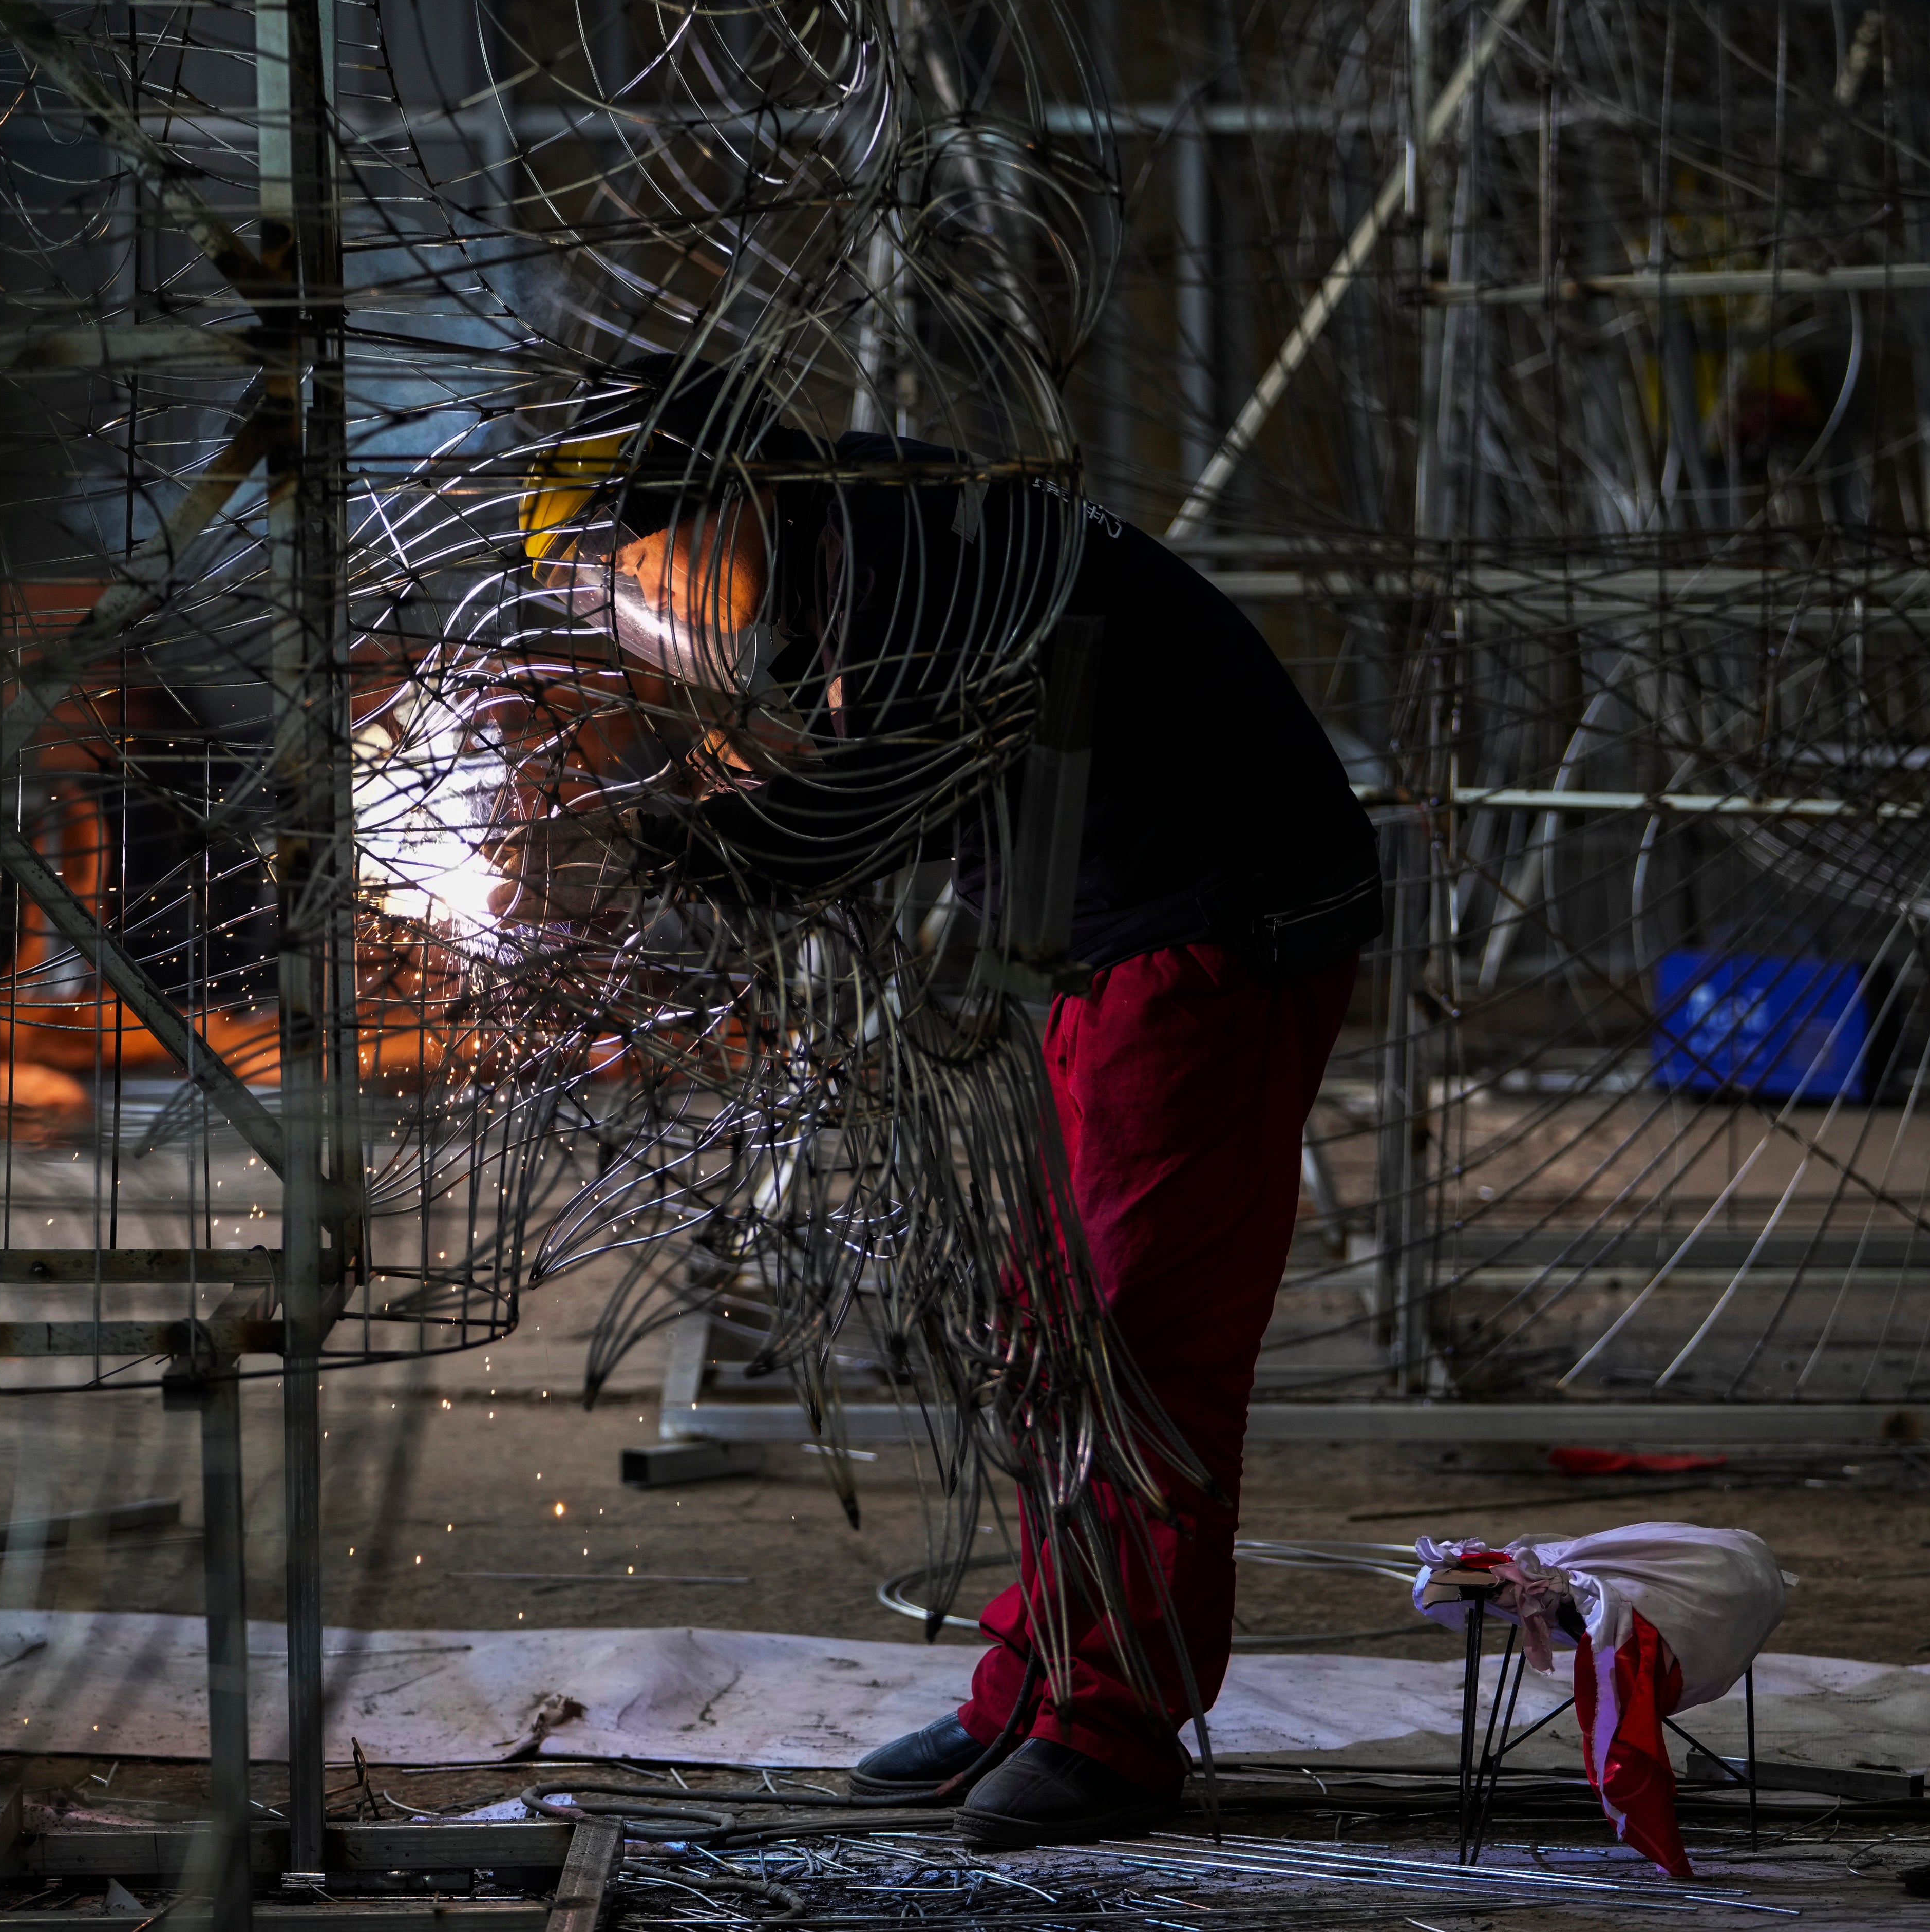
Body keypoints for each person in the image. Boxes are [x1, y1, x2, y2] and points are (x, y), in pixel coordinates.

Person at [519, 362, 1378, 1848]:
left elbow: (864, 810)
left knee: (1135, 1347)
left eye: (642, 564)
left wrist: (662, 852)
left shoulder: (909, 564)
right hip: (1108, 940)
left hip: (1215, 940)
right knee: (1045, 1322)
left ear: (731, 503)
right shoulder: (846, 555)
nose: (645, 607)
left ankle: (1112, 1732)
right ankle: (1033, 1685)